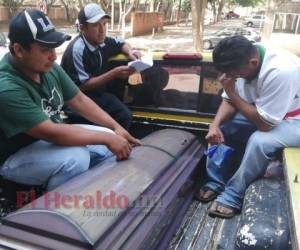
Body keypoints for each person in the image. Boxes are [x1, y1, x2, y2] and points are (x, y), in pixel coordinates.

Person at [0, 9, 140, 192]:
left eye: (53, 48)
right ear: (18, 50)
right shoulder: (6, 86)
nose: (54, 56)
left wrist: (115, 128)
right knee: (76, 158)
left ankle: (91, 191)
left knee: (109, 141)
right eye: (45, 50)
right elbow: (51, 132)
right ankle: (52, 209)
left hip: (46, 143)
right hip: (14, 156)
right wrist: (107, 138)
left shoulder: (46, 67)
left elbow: (80, 100)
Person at [195, 36, 300, 218]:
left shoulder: (281, 70)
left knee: (259, 141)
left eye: (236, 75)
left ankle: (233, 195)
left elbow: (265, 125)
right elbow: (229, 101)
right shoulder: (243, 62)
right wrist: (215, 125)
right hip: (266, 112)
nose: (233, 78)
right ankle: (216, 182)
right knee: (223, 130)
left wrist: (232, 92)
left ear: (253, 62)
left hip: (294, 119)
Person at [61, 3, 141, 130]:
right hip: (76, 99)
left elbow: (120, 43)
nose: (102, 30)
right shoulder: (78, 49)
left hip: (97, 94)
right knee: (122, 115)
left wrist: (130, 52)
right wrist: (114, 74)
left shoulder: (101, 41)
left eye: (104, 24)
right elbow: (82, 85)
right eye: (95, 25)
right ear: (82, 28)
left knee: (123, 113)